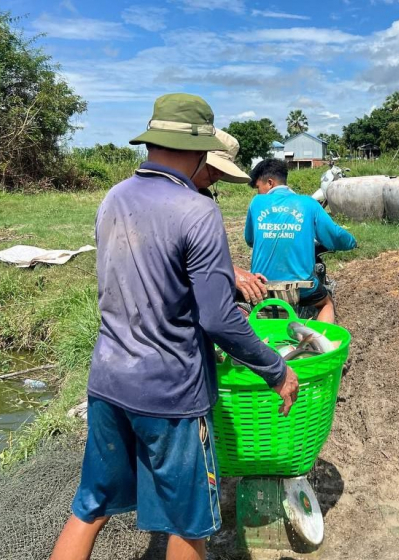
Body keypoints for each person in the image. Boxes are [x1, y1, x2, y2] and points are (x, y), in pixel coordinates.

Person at [50, 93, 299, 560]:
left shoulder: (114, 197)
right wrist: (276, 369)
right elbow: (218, 317)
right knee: (189, 523)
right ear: (201, 149)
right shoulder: (197, 211)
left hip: (107, 381)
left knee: (90, 506)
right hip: (170, 393)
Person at [245, 158, 356, 323]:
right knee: (326, 304)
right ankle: (321, 338)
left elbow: (250, 240)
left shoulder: (256, 203)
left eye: (258, 187)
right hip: (301, 287)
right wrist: (352, 243)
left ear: (270, 183)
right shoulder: (308, 203)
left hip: (263, 286)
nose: (258, 192)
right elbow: (334, 235)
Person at [192, 128, 268, 305]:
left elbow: (208, 253)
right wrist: (231, 272)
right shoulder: (166, 199)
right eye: (213, 167)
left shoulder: (203, 196)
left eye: (222, 170)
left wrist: (239, 274)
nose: (218, 174)